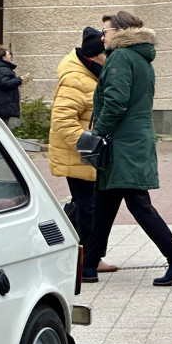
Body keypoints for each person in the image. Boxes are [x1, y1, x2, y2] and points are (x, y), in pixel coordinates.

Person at [81, 11, 172, 286]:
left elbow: (116, 101)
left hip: (123, 143)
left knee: (139, 205)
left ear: (121, 31)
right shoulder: (140, 57)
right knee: (104, 201)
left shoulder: (121, 57)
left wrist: (97, 132)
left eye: (106, 30)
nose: (103, 36)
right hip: (130, 140)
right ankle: (89, 265)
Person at [48, 27, 116, 274]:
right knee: (88, 207)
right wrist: (91, 145)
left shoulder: (92, 74)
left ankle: (76, 254)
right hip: (78, 155)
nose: (109, 57)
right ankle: (87, 259)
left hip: (87, 156)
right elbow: (62, 120)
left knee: (86, 206)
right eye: (106, 52)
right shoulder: (75, 79)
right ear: (95, 55)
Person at [0, 45, 27, 128]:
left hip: (1, 103)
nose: (10, 56)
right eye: (8, 55)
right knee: (3, 128)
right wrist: (19, 80)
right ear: (4, 57)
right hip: (4, 104)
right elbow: (5, 83)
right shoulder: (3, 69)